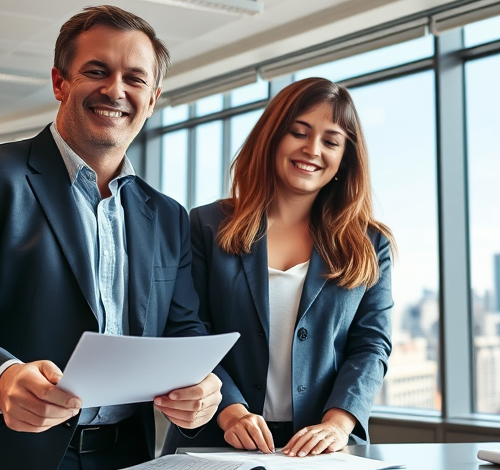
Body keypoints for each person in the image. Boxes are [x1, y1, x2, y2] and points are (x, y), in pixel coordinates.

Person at [0, 6, 228, 470]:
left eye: (135, 79)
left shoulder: (168, 216)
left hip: (122, 457)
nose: (115, 90)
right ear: (60, 82)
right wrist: (4, 377)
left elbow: (182, 330)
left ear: (152, 99)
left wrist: (201, 387)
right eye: (97, 70)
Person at [162, 77, 394, 457]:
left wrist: (337, 424)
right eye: (298, 133)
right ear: (272, 138)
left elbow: (371, 345)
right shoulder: (206, 225)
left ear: (344, 158)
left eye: (331, 141)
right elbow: (189, 331)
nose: (312, 149)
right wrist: (231, 412)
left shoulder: (369, 243)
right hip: (215, 439)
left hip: (320, 449)